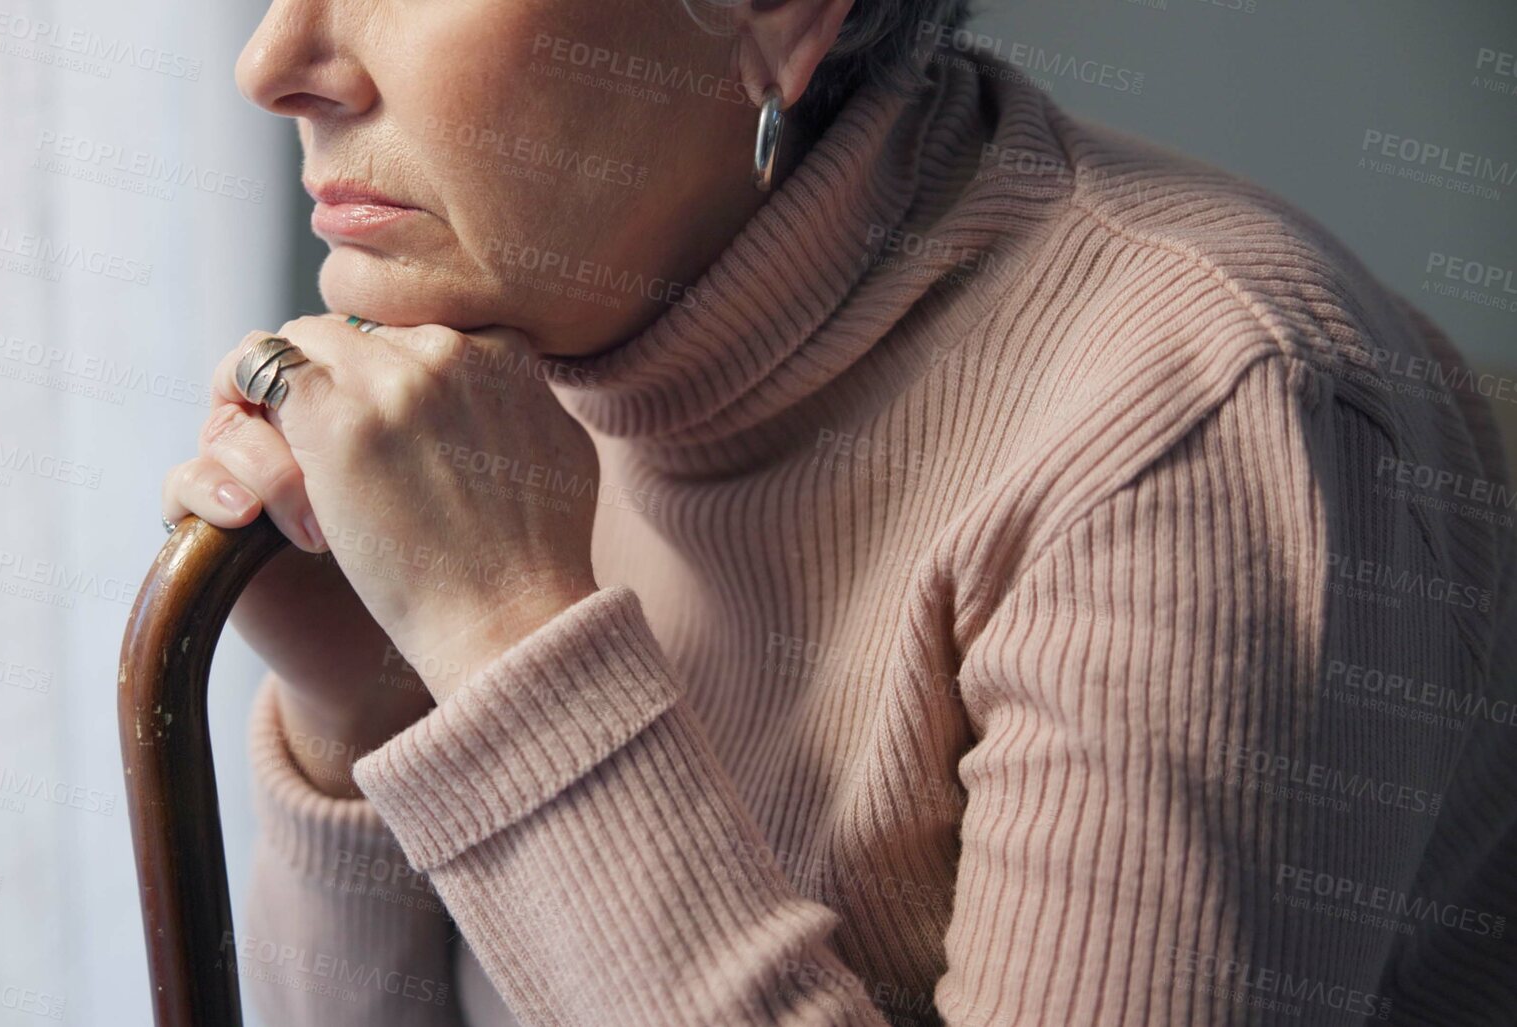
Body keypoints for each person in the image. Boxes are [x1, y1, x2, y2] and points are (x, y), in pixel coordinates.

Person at [160, 0, 1517, 1022]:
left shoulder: (1202, 423)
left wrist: (504, 643)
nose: (273, 63)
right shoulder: (516, 327)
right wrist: (366, 715)